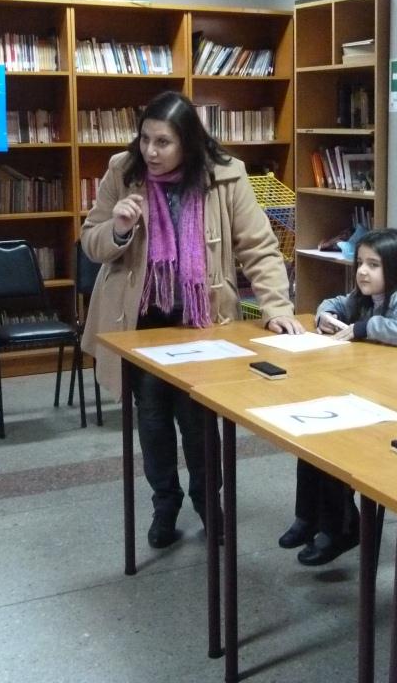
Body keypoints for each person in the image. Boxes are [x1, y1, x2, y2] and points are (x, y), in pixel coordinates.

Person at [80, 90, 304, 549]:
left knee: (199, 422)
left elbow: (259, 247)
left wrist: (277, 308)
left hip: (202, 322)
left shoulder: (225, 175)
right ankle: (165, 503)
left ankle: (207, 501)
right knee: (153, 421)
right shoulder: (123, 171)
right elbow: (92, 243)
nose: (151, 151)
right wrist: (117, 228)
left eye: (163, 142)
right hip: (140, 324)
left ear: (188, 142)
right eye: (145, 139)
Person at [278, 228, 397, 566]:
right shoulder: (362, 297)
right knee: (311, 442)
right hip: (363, 391)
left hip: (396, 402)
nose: (363, 271)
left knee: (334, 447)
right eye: (360, 263)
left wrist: (367, 328)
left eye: (374, 265)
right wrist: (325, 316)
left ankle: (341, 526)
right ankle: (308, 516)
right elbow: (333, 303)